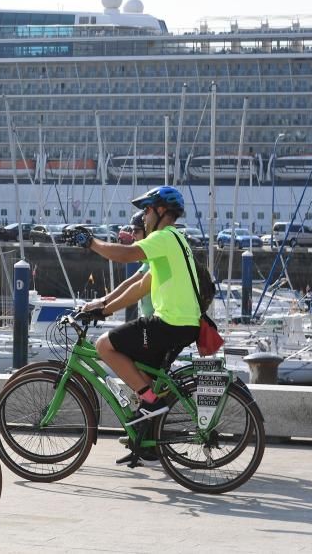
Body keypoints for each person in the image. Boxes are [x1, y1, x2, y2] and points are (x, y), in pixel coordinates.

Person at [79, 186, 201, 456]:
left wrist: (91, 243)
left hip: (170, 323)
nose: (143, 217)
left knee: (104, 346)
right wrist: (105, 307)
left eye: (146, 210)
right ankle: (147, 442)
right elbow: (140, 285)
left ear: (160, 211)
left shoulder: (164, 238)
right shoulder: (175, 242)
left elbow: (125, 255)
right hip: (183, 324)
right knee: (145, 376)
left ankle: (152, 405)